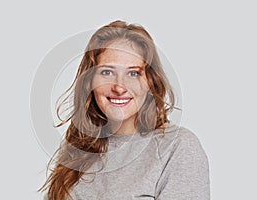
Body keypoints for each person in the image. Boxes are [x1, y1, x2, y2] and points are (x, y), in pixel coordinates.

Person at [39, 20, 210, 200]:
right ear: (90, 81)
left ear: (149, 82)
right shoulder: (76, 149)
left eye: (133, 73)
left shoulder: (177, 147)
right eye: (107, 72)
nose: (119, 87)